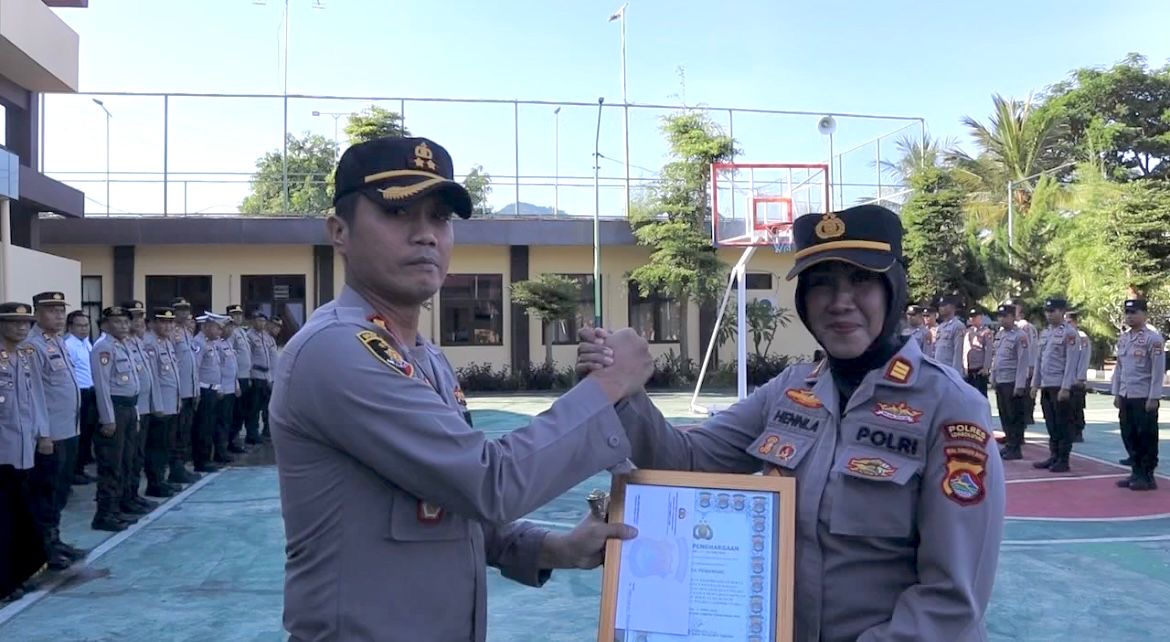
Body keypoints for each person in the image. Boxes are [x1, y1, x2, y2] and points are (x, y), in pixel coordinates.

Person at [270, 136, 651, 642]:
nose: (426, 235)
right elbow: (488, 483)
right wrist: (609, 385)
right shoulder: (337, 350)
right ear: (339, 231)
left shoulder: (423, 356)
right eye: (397, 212)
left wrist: (552, 548)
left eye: (440, 218)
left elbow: (448, 503)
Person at [579, 204, 1004, 642]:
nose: (840, 302)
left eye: (861, 280)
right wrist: (620, 390)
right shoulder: (789, 390)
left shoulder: (950, 408)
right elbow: (687, 460)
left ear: (891, 290)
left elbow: (952, 600)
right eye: (822, 284)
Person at [25, 292, 85, 569]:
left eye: (61, 311)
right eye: (52, 311)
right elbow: (34, 394)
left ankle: (55, 539)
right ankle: (43, 549)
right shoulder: (33, 346)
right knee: (45, 493)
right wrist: (43, 433)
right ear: (37, 314)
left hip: (68, 428)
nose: (59, 316)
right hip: (50, 434)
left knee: (60, 490)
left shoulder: (57, 341)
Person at [0, 302, 51, 601]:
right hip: (3, 452)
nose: (21, 328)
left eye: (26, 323)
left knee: (20, 516)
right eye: (14, 323)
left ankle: (18, 573)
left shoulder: (25, 357)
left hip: (23, 449)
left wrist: (44, 433)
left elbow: (37, 399)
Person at [89, 306, 144, 531]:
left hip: (129, 408)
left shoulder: (125, 345)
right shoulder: (103, 347)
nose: (123, 325)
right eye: (117, 321)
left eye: (126, 322)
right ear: (106, 324)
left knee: (126, 460)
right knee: (111, 464)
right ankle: (105, 514)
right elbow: (102, 386)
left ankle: (119, 507)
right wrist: (107, 418)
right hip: (115, 410)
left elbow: (134, 385)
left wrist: (136, 414)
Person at [1112, 299, 1164, 491]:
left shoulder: (1153, 339)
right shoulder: (1124, 338)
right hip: (1126, 394)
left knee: (1146, 437)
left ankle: (1147, 476)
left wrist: (1154, 397)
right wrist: (1117, 392)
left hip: (1143, 396)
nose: (1130, 316)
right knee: (1129, 435)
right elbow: (1119, 367)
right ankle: (1135, 472)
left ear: (1144, 314)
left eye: (1134, 312)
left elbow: (1158, 371)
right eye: (1127, 312)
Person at [1030, 297, 1081, 473]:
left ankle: (1063, 459)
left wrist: (1066, 387)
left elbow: (1071, 362)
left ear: (1062, 312)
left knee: (1063, 424)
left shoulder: (1069, 333)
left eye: (1052, 311)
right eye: (1047, 311)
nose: (1049, 314)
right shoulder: (1045, 333)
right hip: (1046, 384)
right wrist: (1035, 384)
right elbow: (1039, 360)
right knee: (1051, 423)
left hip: (1060, 385)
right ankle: (1054, 455)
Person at [141, 307, 182, 497]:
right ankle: (155, 483)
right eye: (163, 322)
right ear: (153, 323)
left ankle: (162, 480)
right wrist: (157, 405)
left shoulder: (166, 342)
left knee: (166, 444)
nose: (168, 326)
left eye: (170, 322)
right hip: (160, 406)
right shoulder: (150, 344)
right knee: (156, 447)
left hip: (171, 403)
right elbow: (153, 379)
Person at [990, 303, 1031, 460]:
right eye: (1000, 316)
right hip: (1001, 380)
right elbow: (996, 358)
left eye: (1005, 316)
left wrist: (1020, 384)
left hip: (1012, 381)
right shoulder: (1001, 334)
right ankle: (1009, 444)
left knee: (1014, 416)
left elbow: (1022, 362)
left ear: (1013, 317)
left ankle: (1015, 447)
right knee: (1004, 414)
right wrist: (993, 377)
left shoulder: (1020, 336)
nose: (1002, 319)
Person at [168, 298, 201, 486]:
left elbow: (192, 365)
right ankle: (175, 469)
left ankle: (181, 467)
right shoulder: (171, 333)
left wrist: (196, 390)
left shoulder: (187, 333)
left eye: (186, 310)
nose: (184, 313)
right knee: (177, 434)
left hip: (190, 391)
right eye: (180, 310)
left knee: (185, 433)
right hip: (179, 393)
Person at [63, 310, 97, 484]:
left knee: (87, 433)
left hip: (90, 392)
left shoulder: (86, 343)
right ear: (70, 327)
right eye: (80, 325)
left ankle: (81, 467)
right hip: (79, 393)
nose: (84, 329)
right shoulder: (68, 345)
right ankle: (75, 471)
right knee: (80, 432)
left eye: (86, 325)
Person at [192, 313, 227, 472]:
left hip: (212, 390)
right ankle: (201, 461)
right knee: (202, 427)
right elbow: (195, 368)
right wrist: (197, 392)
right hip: (204, 390)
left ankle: (207, 458)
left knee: (209, 426)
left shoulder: (211, 343)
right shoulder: (199, 343)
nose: (220, 332)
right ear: (206, 327)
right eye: (217, 328)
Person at [226, 305, 252, 452]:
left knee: (243, 411)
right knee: (236, 412)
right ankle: (231, 441)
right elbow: (231, 357)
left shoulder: (242, 331)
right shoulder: (231, 333)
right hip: (238, 378)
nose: (238, 317)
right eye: (234, 314)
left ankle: (235, 439)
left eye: (239, 314)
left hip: (245, 376)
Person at [1066, 310, 1090, 443]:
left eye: (1069, 322)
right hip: (1065, 379)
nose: (1067, 324)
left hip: (1076, 380)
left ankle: (1078, 432)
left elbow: (1084, 358)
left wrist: (1080, 378)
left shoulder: (1082, 337)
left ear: (1075, 322)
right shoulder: (1065, 335)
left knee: (1076, 408)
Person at [964, 308, 994, 398]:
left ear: (980, 317)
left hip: (979, 369)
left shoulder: (986, 332)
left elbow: (988, 350)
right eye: (971, 317)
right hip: (968, 368)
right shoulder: (968, 331)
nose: (972, 319)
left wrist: (986, 367)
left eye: (975, 316)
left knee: (981, 395)